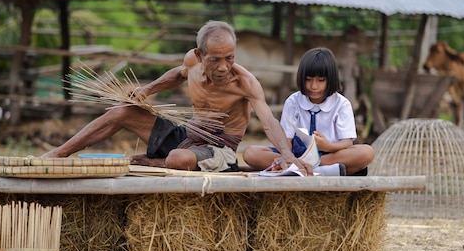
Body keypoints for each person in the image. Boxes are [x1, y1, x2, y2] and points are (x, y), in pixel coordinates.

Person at [42, 20, 312, 175]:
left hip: (219, 149)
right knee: (122, 111)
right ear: (199, 55)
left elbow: (267, 121)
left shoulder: (245, 83)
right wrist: (148, 90)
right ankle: (59, 154)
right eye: (215, 59)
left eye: (229, 58)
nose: (223, 67)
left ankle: (151, 162)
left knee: (176, 160)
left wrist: (287, 155)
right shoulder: (191, 63)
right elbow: (177, 74)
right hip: (186, 135)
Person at [242, 47, 374, 176]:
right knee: (250, 153)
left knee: (366, 152)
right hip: (294, 155)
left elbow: (347, 142)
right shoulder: (293, 101)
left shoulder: (341, 104)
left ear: (331, 79)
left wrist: (328, 146)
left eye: (321, 80)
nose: (313, 86)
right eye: (308, 79)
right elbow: (286, 139)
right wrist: (286, 156)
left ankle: (305, 168)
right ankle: (313, 169)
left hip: (329, 155)